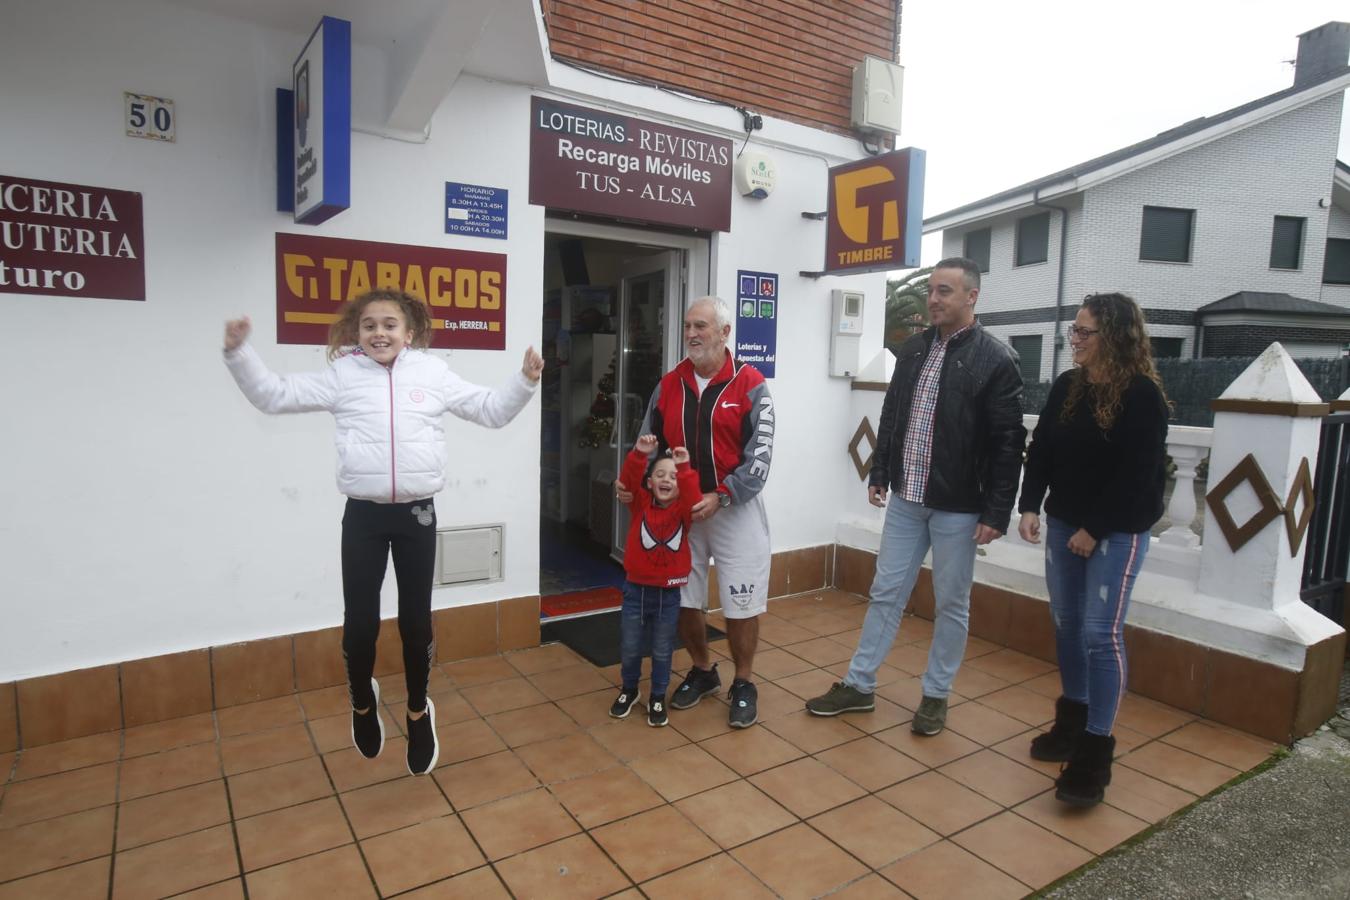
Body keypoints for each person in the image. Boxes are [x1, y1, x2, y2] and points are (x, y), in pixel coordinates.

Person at [222, 289, 542, 775]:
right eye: (369, 325)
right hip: (364, 518)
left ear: (408, 332)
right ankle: (363, 703)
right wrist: (239, 353)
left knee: (416, 625)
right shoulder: (343, 377)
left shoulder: (432, 374)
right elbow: (274, 395)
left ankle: (417, 711)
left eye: (389, 324)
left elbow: (491, 411)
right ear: (357, 333)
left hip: (417, 515)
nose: (379, 333)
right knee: (360, 626)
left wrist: (524, 381)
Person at [806, 257, 1025, 736]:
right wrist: (880, 470)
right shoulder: (912, 350)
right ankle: (860, 684)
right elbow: (892, 416)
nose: (933, 299)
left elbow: (1009, 443)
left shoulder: (996, 360)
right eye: (931, 290)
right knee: (886, 593)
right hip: (907, 498)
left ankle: (936, 695)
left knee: (951, 603)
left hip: (961, 507)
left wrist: (997, 511)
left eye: (945, 291)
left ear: (972, 297)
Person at [1017, 293, 1169, 807]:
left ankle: (1095, 752)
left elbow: (1138, 474)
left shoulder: (1142, 396)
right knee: (1066, 623)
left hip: (1116, 531)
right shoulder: (1069, 386)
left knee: (1099, 634)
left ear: (1115, 337)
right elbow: (1041, 452)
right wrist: (1031, 505)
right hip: (1063, 523)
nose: (1075, 340)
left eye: (1085, 332)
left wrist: (1095, 528)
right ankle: (1072, 722)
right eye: (1074, 331)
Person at [619, 296, 774, 728]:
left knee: (740, 601)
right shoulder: (668, 385)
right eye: (688, 326)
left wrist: (722, 496)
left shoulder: (751, 383)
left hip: (733, 509)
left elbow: (759, 458)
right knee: (682, 598)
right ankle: (704, 670)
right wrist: (639, 487)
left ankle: (744, 681)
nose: (692, 334)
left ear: (725, 333)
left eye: (702, 326)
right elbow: (648, 447)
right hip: (680, 514)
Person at [609, 436, 701, 727]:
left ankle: (658, 695)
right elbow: (627, 480)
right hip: (635, 590)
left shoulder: (684, 511)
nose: (667, 480)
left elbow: (693, 494)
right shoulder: (640, 503)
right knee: (631, 646)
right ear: (649, 482)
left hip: (669, 594)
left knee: (663, 649)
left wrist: (684, 465)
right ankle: (629, 689)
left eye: (673, 477)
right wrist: (640, 453)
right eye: (660, 474)